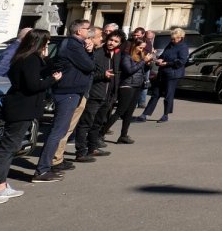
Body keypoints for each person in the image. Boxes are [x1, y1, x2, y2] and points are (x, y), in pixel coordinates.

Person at [0, 29, 61, 200]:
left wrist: (46, 59)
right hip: (21, 108)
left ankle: (0, 185)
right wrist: (52, 80)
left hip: (21, 108)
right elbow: (33, 85)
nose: (48, 45)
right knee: (6, 149)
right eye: (46, 43)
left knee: (11, 149)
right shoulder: (30, 59)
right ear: (39, 43)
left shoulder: (26, 58)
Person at [34, 19, 94, 181]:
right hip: (67, 92)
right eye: (87, 29)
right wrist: (89, 52)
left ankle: (47, 165)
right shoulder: (73, 45)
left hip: (72, 91)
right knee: (57, 131)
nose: (90, 32)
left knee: (61, 130)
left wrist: (88, 51)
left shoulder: (76, 45)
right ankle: (42, 169)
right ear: (78, 31)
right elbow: (89, 66)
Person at [74, 27, 117, 162]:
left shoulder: (110, 55)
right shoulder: (96, 54)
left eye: (116, 41)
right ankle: (81, 151)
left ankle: (92, 147)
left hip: (106, 95)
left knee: (97, 123)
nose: (105, 40)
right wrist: (103, 75)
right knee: (85, 123)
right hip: (94, 94)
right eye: (101, 37)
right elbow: (90, 74)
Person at [136, 27, 188, 122]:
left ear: (180, 38)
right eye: (171, 38)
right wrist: (159, 59)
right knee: (155, 94)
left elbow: (182, 61)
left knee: (168, 95)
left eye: (174, 39)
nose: (172, 40)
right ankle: (145, 114)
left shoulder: (183, 47)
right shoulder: (170, 44)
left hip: (173, 74)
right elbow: (164, 55)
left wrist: (167, 63)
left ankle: (165, 115)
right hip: (162, 73)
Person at [106, 37, 152, 143]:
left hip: (137, 85)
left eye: (144, 48)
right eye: (140, 47)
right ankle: (100, 133)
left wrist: (148, 64)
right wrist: (143, 62)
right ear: (134, 46)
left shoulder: (141, 55)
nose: (142, 50)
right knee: (120, 111)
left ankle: (123, 135)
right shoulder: (126, 56)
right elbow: (129, 70)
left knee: (129, 113)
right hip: (127, 86)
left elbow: (142, 70)